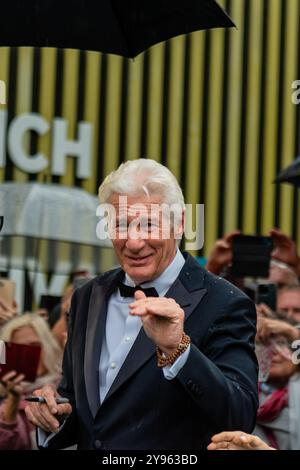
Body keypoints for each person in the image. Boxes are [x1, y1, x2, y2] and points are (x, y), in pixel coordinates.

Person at [25, 158, 258, 450]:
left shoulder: (225, 302)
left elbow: (240, 415)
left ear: (180, 223)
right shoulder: (87, 296)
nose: (134, 243)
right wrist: (54, 411)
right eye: (121, 224)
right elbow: (86, 411)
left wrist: (178, 350)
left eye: (149, 224)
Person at [0, 314, 62, 449]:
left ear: (48, 347)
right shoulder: (6, 399)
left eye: (35, 346)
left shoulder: (68, 387)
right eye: (20, 349)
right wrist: (13, 400)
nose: (28, 355)